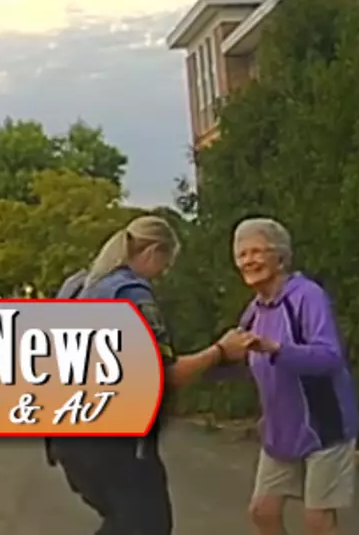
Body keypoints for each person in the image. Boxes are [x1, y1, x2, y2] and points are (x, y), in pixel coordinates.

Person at [50, 214, 260, 535]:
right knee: (148, 526)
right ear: (153, 253)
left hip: (67, 440)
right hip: (111, 443)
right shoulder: (130, 293)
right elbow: (163, 376)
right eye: (165, 264)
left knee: (125, 523)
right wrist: (220, 351)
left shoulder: (77, 286)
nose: (162, 275)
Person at [233, 217, 359, 535]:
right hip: (281, 433)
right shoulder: (254, 310)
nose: (249, 260)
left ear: (280, 256)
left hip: (323, 426)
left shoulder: (306, 296)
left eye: (258, 251)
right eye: (242, 254)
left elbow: (329, 356)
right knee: (263, 511)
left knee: (317, 522)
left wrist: (276, 348)